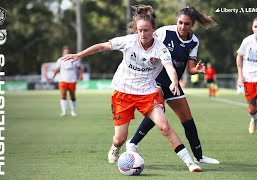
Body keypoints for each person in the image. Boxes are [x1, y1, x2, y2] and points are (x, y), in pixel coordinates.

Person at [62, 5, 202, 172]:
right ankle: (115, 147)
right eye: (140, 30)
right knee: (120, 138)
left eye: (146, 30)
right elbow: (101, 46)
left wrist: (174, 81)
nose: (143, 34)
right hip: (123, 92)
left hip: (147, 93)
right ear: (136, 30)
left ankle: (190, 163)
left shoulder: (160, 48)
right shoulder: (128, 41)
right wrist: (79, 55)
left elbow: (169, 66)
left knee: (164, 126)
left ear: (153, 30)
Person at [126, 6, 220, 164]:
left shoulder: (194, 41)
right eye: (180, 22)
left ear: (193, 25)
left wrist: (196, 70)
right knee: (158, 110)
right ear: (177, 21)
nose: (183, 27)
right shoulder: (165, 32)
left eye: (187, 24)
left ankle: (199, 156)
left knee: (187, 118)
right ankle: (132, 143)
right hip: (155, 79)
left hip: (173, 83)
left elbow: (189, 69)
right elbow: (146, 42)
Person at [50, 47, 83, 117]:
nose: (66, 53)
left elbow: (79, 68)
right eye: (65, 52)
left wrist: (81, 75)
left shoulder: (74, 59)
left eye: (67, 52)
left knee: (72, 96)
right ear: (63, 53)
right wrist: (52, 78)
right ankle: (64, 111)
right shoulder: (60, 60)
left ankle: (73, 111)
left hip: (72, 80)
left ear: (69, 52)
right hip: (62, 80)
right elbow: (57, 70)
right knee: (63, 95)